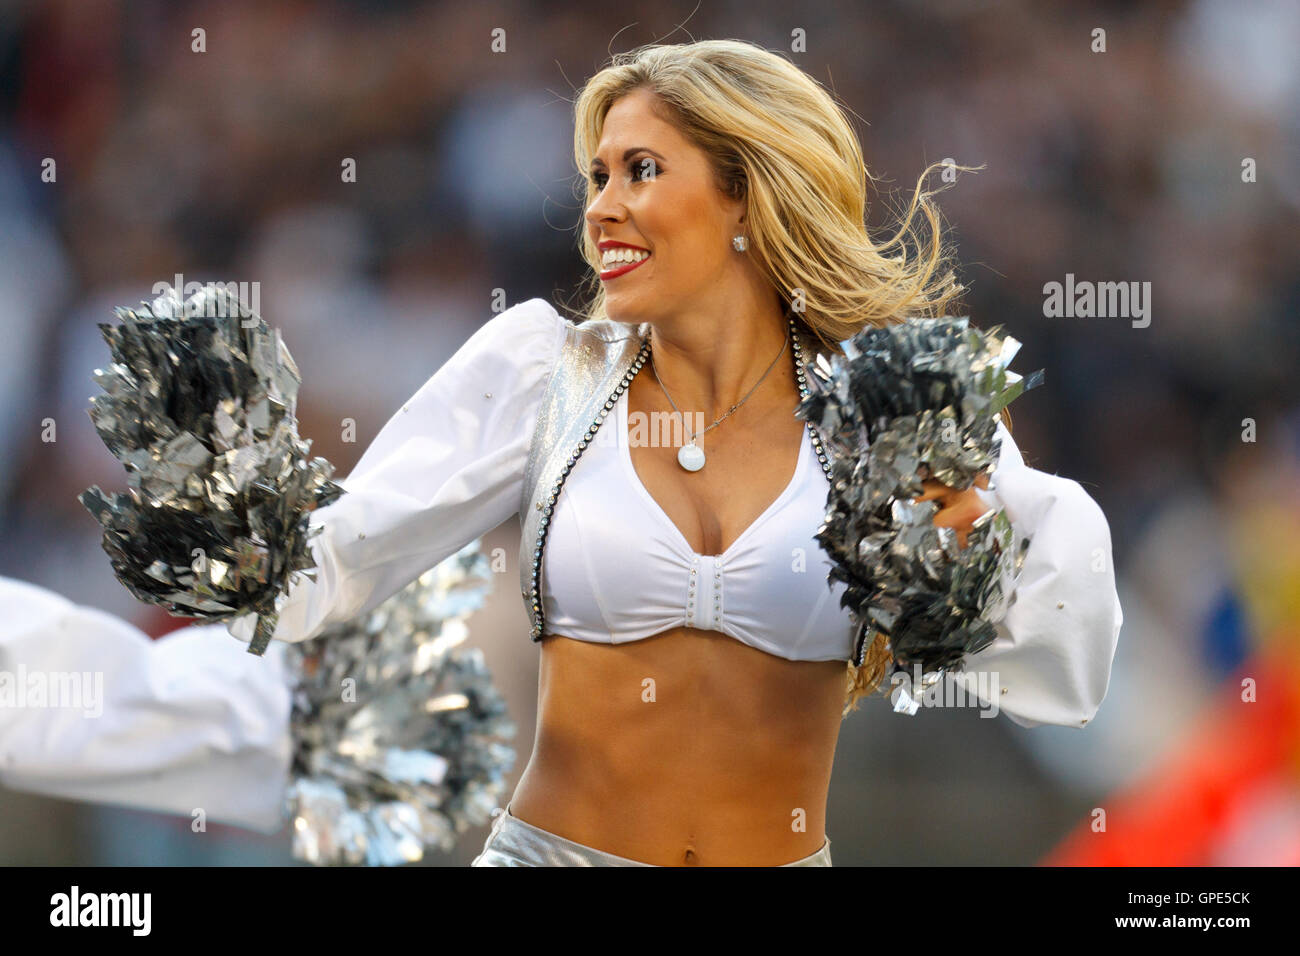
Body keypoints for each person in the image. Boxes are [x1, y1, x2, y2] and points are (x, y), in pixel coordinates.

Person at [217, 39, 1120, 867]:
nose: (603, 207)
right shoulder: (544, 372)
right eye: (598, 176)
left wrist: (963, 551)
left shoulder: (894, 405)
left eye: (641, 171)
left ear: (746, 194)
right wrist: (211, 494)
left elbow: (1059, 652)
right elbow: (321, 567)